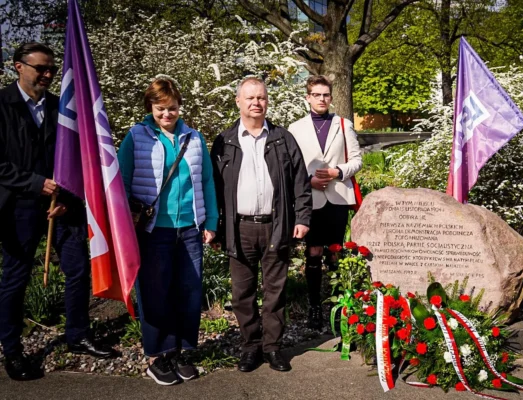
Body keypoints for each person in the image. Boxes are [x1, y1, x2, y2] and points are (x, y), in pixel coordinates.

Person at [0, 42, 113, 381]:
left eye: (52, 68)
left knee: (78, 273)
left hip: (62, 206)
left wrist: (67, 196)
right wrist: (35, 184)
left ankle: (78, 335)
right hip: (18, 208)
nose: (48, 74)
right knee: (16, 280)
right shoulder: (1, 105)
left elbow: (75, 159)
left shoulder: (60, 107)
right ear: (18, 67)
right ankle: (12, 349)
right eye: (41, 69)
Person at [117, 77, 218, 385]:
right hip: (153, 231)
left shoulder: (194, 138)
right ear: (151, 107)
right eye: (161, 109)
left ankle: (183, 349)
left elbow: (207, 183)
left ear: (179, 107)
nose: (167, 115)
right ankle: (158, 355)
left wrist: (211, 222)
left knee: (188, 292)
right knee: (155, 292)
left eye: (172, 108)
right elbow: (121, 182)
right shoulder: (137, 137)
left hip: (190, 229)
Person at [211, 76, 312, 373]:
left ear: (267, 101)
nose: (257, 103)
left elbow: (300, 183)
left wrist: (303, 218)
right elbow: (214, 186)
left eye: (262, 98)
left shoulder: (282, 138)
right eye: (250, 98)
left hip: (276, 225)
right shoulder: (225, 141)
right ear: (238, 102)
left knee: (275, 291)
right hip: (238, 228)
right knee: (242, 293)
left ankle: (273, 348)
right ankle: (251, 347)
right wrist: (214, 226)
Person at [288, 75, 362, 330]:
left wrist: (337, 172)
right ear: (308, 98)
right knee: (313, 252)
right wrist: (308, 182)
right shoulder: (295, 129)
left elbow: (357, 159)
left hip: (338, 197)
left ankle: (339, 307)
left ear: (331, 97)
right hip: (311, 199)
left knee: (335, 252)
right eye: (317, 95)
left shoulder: (343, 124)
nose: (322, 99)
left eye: (326, 95)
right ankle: (314, 306)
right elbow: (291, 166)